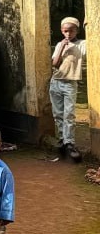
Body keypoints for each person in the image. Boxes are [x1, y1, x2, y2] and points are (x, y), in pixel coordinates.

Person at [49, 16, 87, 161]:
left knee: (69, 114)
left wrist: (87, 24)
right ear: (61, 31)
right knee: (58, 114)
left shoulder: (82, 44)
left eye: (71, 31)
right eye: (65, 31)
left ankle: (69, 142)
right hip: (56, 82)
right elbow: (55, 64)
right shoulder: (60, 44)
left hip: (70, 84)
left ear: (76, 30)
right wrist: (62, 47)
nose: (68, 34)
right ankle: (61, 140)